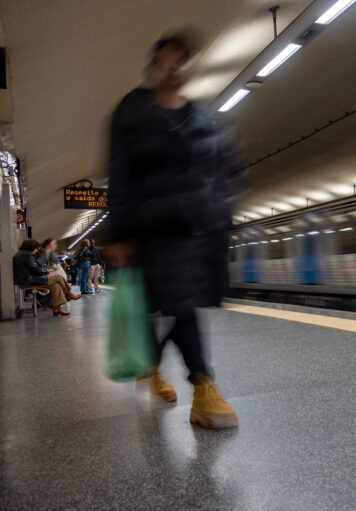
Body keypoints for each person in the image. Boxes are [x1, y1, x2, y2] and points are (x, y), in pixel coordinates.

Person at [107, 27, 238, 429]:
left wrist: (223, 216)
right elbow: (121, 174)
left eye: (186, 58)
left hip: (194, 230)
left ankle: (159, 371)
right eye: (171, 56)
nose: (178, 65)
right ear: (155, 63)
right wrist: (118, 234)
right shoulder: (131, 113)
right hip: (150, 229)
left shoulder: (201, 118)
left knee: (177, 307)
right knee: (171, 308)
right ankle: (202, 385)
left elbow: (223, 172)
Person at [14, 239, 81, 316]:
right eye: (36, 248)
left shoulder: (21, 254)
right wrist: (46, 271)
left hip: (25, 280)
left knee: (56, 286)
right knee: (58, 277)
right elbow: (35, 269)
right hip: (29, 280)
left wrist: (44, 270)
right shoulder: (28, 255)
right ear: (31, 247)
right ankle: (68, 293)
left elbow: (33, 268)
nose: (36, 250)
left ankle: (57, 308)